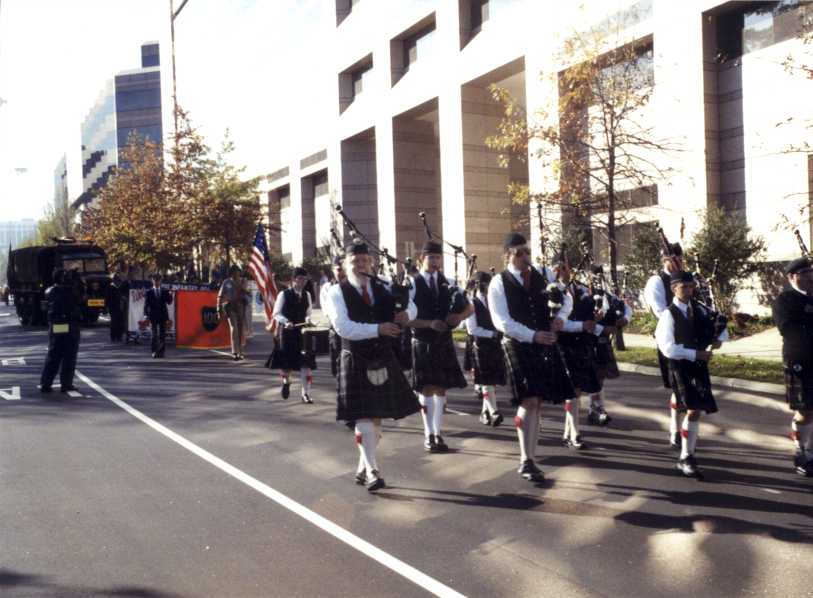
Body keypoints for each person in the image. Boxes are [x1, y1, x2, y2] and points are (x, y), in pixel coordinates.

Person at [325, 241, 420, 492]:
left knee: (375, 422)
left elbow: (410, 302)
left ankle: (363, 465)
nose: (361, 265)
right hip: (355, 357)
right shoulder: (336, 292)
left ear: (372, 263)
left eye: (365, 261)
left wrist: (406, 314)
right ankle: (372, 470)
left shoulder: (382, 286)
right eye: (355, 261)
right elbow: (343, 327)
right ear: (346, 266)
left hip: (382, 356)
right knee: (365, 420)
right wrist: (377, 329)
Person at [488, 233, 574, 482]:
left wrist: (561, 318)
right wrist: (533, 335)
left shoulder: (543, 275)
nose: (525, 257)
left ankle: (531, 458)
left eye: (527, 252)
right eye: (519, 253)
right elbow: (501, 321)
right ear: (507, 256)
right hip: (518, 343)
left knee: (537, 402)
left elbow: (566, 298)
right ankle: (526, 459)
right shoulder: (498, 283)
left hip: (544, 343)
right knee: (529, 400)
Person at [655, 271, 728, 479]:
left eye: (690, 286)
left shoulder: (700, 309)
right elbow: (667, 348)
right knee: (693, 409)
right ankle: (686, 456)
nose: (688, 290)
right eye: (683, 287)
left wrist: (720, 338)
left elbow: (720, 323)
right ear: (673, 289)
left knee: (695, 410)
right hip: (681, 366)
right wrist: (695, 353)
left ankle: (687, 452)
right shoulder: (668, 315)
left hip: (698, 365)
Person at [408, 240, 474, 453]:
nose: (435, 262)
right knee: (428, 389)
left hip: (443, 341)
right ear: (421, 259)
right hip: (423, 341)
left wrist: (458, 317)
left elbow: (470, 307)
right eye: (431, 258)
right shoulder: (411, 284)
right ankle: (429, 435)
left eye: (438, 258)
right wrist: (428, 323)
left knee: (441, 389)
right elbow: (402, 319)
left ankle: (438, 433)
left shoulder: (450, 282)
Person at [555, 256, 606, 450]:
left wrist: (597, 316)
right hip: (563, 344)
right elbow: (558, 323)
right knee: (572, 391)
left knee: (576, 390)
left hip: (582, 344)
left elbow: (595, 309)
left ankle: (570, 432)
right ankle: (573, 433)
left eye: (567, 267)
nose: (565, 271)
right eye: (561, 268)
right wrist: (582, 325)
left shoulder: (582, 290)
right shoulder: (551, 292)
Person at [772, 256, 813, 477]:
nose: (809, 277)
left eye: (810, 272)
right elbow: (788, 330)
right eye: (804, 274)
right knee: (804, 411)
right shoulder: (784, 301)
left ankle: (810, 452)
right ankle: (800, 452)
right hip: (799, 361)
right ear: (791, 277)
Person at [644, 241, 685, 448]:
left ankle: (683, 428)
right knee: (678, 387)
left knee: (687, 388)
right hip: (669, 339)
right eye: (673, 259)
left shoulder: (687, 279)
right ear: (664, 260)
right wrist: (680, 322)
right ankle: (675, 430)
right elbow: (659, 311)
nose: (678, 262)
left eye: (680, 258)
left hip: (690, 340)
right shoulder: (657, 281)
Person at [587, 265, 632, 426]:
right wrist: (602, 328)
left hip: (603, 342)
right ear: (589, 277)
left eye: (600, 276)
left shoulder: (607, 296)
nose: (598, 279)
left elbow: (625, 308)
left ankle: (597, 409)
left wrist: (625, 319)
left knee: (600, 378)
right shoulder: (585, 295)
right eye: (595, 276)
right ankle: (596, 409)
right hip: (587, 341)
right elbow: (583, 319)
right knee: (593, 377)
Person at [465, 271, 506, 427]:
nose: (489, 287)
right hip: (480, 346)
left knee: (490, 381)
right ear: (479, 285)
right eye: (487, 284)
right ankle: (494, 411)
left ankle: (484, 413)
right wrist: (492, 333)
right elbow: (472, 329)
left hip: (494, 345)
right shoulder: (471, 303)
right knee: (486, 380)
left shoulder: (493, 301)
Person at [270, 267, 316, 403]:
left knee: (306, 364)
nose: (302, 282)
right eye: (300, 279)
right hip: (287, 333)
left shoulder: (307, 295)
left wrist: (308, 320)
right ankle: (286, 382)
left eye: (305, 279)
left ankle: (306, 394)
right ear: (293, 280)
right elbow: (276, 313)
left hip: (302, 334)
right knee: (286, 364)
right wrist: (286, 322)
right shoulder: (283, 294)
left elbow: (308, 313)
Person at [38, 269, 81, 393]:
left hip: (57, 325)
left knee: (54, 354)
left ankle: (46, 383)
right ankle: (66, 383)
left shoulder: (50, 291)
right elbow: (79, 299)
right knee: (69, 355)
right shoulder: (69, 291)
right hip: (69, 324)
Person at [320, 256, 346, 379]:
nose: (341, 272)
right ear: (333, 270)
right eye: (338, 269)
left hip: (353, 330)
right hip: (336, 329)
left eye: (343, 269)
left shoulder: (353, 285)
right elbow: (328, 311)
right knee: (337, 361)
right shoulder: (327, 287)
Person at [217, 265, 245, 361]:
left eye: (238, 271)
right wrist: (218, 309)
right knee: (234, 329)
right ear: (231, 272)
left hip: (240, 307)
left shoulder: (243, 281)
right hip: (230, 307)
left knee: (241, 329)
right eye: (235, 271)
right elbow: (220, 296)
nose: (237, 273)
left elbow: (248, 293)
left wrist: (243, 288)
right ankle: (235, 352)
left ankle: (241, 351)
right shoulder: (226, 282)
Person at [144, 273, 173, 358]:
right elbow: (146, 305)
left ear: (160, 281)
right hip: (153, 315)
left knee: (162, 335)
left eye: (158, 280)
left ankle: (161, 352)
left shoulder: (165, 291)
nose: (156, 282)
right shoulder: (149, 292)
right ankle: (154, 351)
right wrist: (146, 315)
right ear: (152, 281)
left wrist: (170, 294)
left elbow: (169, 302)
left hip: (163, 315)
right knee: (154, 334)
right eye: (155, 280)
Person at [107, 273, 126, 342]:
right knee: (114, 322)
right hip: (113, 307)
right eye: (118, 281)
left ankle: (119, 336)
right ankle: (114, 336)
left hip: (120, 307)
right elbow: (109, 298)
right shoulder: (111, 288)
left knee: (120, 322)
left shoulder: (119, 288)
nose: (119, 283)